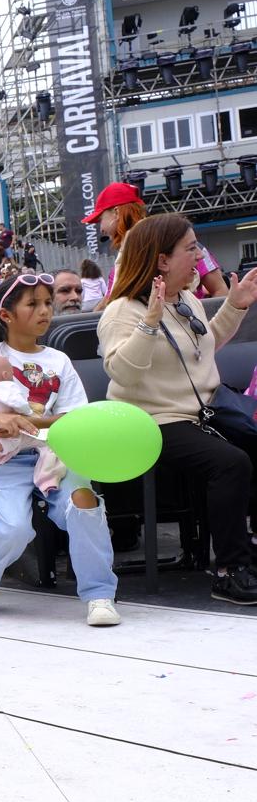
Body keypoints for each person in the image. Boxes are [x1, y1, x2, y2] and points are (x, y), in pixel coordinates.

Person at [98, 213, 257, 605]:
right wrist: (149, 321)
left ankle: (247, 551)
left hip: (201, 412)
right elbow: (122, 372)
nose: (200, 256)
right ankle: (228, 571)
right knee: (229, 462)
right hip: (151, 420)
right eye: (191, 248)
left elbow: (202, 349)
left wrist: (234, 306)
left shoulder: (186, 300)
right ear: (162, 260)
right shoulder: (121, 311)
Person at [0, 274, 120, 625]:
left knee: (84, 506)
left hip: (56, 455)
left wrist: (26, 422)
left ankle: (100, 595)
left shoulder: (59, 360)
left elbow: (73, 418)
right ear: (7, 314)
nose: (45, 310)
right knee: (12, 528)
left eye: (47, 302)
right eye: (33, 304)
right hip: (4, 460)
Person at [86, 182, 228, 299]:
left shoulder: (187, 245)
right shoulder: (120, 265)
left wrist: (203, 329)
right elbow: (112, 306)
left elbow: (220, 291)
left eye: (100, 220)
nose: (101, 229)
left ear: (117, 213)